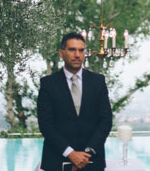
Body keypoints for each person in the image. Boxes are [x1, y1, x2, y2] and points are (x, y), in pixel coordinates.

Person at [37, 33, 112, 171]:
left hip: (91, 162)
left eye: (81, 50)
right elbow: (46, 125)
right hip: (56, 163)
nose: (77, 54)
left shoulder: (98, 81)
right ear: (61, 53)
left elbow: (106, 121)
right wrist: (70, 153)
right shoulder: (48, 84)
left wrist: (87, 153)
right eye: (72, 50)